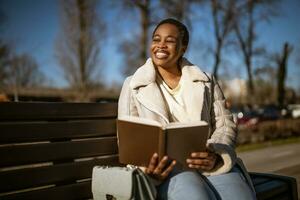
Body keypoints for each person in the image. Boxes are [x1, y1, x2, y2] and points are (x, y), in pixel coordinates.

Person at [118, 18, 256, 200]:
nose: (160, 45)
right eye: (156, 39)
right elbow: (129, 138)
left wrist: (214, 154)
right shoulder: (133, 84)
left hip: (209, 164)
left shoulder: (206, 81)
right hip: (167, 172)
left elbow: (225, 125)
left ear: (183, 47)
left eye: (169, 41)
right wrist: (148, 170)